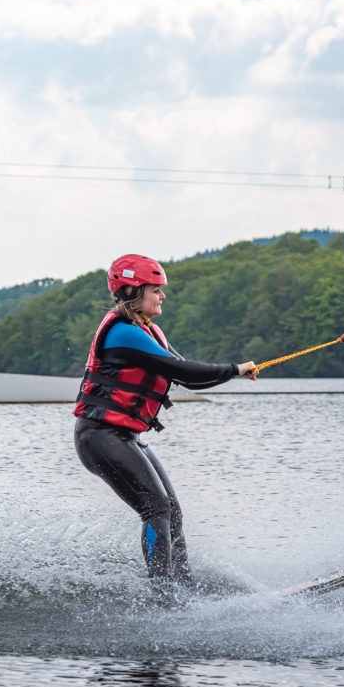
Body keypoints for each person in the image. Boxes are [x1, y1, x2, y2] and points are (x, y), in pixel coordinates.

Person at [73, 253, 257, 596]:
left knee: (171, 511)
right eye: (156, 289)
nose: (163, 296)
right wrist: (235, 369)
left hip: (122, 436)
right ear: (132, 291)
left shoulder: (149, 330)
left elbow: (189, 379)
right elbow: (184, 372)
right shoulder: (122, 332)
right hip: (99, 437)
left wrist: (234, 372)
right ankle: (163, 595)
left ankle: (183, 588)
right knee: (155, 508)